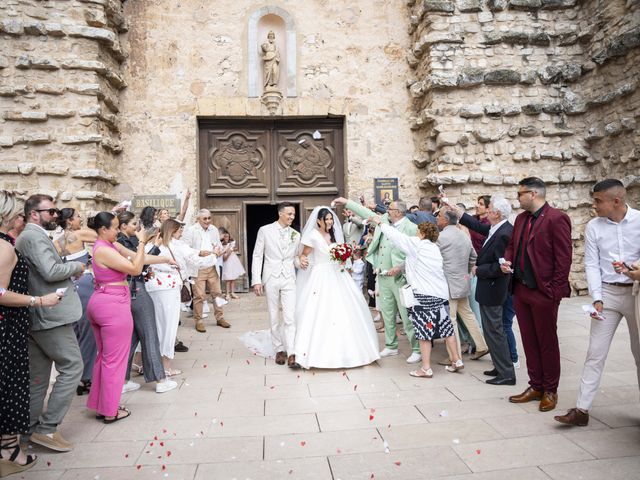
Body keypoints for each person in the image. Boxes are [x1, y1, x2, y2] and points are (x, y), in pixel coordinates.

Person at [555, 179, 640, 426]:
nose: (594, 205)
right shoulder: (593, 226)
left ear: (616, 200)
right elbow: (591, 263)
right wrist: (597, 298)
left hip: (636, 292)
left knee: (639, 354)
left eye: (598, 200)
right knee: (595, 353)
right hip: (608, 295)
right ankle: (581, 410)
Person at [85, 212, 173, 422]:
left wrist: (164, 258)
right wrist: (143, 241)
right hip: (113, 305)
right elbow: (135, 269)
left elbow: (137, 258)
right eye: (115, 227)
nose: (118, 231)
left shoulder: (110, 245)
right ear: (103, 229)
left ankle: (102, 405)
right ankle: (110, 411)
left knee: (105, 358)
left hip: (103, 302)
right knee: (114, 361)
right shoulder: (104, 250)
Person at [15, 194, 85, 452]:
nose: (56, 215)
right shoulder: (33, 236)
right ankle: (47, 428)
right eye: (51, 211)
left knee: (39, 377)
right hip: (49, 316)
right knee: (73, 366)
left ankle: (28, 431)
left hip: (39, 315)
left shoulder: (31, 237)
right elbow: (50, 271)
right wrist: (77, 267)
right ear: (35, 214)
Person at [0, 191, 61, 477]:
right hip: (7, 328)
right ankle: (9, 452)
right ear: (8, 216)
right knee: (10, 387)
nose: (22, 219)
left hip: (11, 325)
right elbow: (0, 293)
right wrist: (39, 301)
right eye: (19, 215)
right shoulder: (4, 248)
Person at [501, 177, 572, 412]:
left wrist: (554, 291)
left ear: (533, 194)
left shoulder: (557, 218)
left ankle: (550, 390)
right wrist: (508, 260)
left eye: (519, 193)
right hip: (520, 289)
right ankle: (536, 385)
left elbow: (564, 258)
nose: (517, 198)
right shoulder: (520, 219)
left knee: (547, 342)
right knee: (529, 341)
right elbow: (513, 245)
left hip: (544, 291)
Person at [371, 217, 463, 376]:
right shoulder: (434, 248)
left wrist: (380, 223)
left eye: (417, 231)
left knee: (424, 332)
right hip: (440, 295)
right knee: (447, 329)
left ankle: (426, 368)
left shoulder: (417, 245)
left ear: (421, 233)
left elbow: (397, 237)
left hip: (424, 296)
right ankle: (456, 360)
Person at [334, 197, 422, 363]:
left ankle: (416, 348)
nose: (386, 211)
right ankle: (391, 345)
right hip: (382, 275)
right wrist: (346, 202)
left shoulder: (411, 228)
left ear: (398, 212)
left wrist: (401, 267)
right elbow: (366, 213)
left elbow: (416, 252)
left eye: (390, 209)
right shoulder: (384, 221)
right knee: (387, 313)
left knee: (406, 315)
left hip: (400, 277)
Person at [293, 207, 380, 369]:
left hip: (338, 274)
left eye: (331, 219)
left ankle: (353, 351)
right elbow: (303, 254)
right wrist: (302, 260)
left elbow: (341, 256)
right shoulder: (313, 235)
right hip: (320, 275)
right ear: (318, 221)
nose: (329, 222)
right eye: (326, 219)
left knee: (345, 309)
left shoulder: (333, 236)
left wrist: (343, 258)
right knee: (320, 311)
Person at [456, 196, 517, 385]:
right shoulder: (495, 228)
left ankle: (507, 373)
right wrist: (454, 208)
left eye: (489, 208)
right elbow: (475, 225)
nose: (486, 211)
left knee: (495, 330)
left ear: (497, 213)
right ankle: (499, 366)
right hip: (488, 289)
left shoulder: (504, 233)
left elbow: (502, 267)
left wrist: (478, 269)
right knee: (490, 331)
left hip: (494, 288)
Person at [116, 212, 176, 394]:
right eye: (134, 224)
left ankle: (124, 380)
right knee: (150, 333)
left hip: (131, 289)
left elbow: (140, 264)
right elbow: (139, 262)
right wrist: (164, 257)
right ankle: (160, 379)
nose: (138, 227)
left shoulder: (130, 241)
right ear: (122, 226)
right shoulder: (121, 243)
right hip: (136, 290)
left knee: (132, 338)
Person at [146, 219, 212, 380]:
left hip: (152, 288)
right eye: (179, 230)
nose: (181, 233)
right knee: (168, 327)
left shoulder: (151, 245)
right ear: (173, 231)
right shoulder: (177, 245)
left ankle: (142, 363)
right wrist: (215, 255)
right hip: (169, 290)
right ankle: (165, 367)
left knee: (153, 326)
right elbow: (199, 262)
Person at [435, 209, 488, 364]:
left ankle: (455, 356)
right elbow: (473, 256)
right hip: (462, 281)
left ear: (445, 220)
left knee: (450, 319)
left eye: (439, 216)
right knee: (467, 314)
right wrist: (465, 272)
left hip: (448, 283)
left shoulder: (440, 237)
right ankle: (481, 345)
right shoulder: (463, 235)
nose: (437, 219)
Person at [250, 202, 301, 366]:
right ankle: (279, 349)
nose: (292, 217)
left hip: (289, 277)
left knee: (289, 316)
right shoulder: (265, 230)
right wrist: (256, 280)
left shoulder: (296, 234)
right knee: (273, 315)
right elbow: (257, 255)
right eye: (289, 214)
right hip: (271, 277)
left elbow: (295, 258)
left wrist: (302, 263)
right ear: (280, 214)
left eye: (293, 214)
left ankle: (292, 351)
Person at [53, 208, 97, 396]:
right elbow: (100, 236)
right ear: (69, 221)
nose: (81, 219)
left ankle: (78, 375)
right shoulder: (79, 235)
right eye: (78, 217)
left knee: (76, 333)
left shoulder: (55, 243)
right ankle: (87, 377)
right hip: (86, 285)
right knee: (89, 333)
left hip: (69, 289)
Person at [182, 209, 229, 332]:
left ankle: (220, 318)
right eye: (205, 219)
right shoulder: (191, 231)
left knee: (217, 293)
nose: (207, 221)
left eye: (209, 218)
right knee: (199, 296)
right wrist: (200, 253)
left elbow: (218, 244)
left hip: (212, 265)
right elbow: (186, 249)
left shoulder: (213, 229)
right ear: (198, 219)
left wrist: (218, 250)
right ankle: (199, 320)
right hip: (198, 267)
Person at [219, 227, 245, 299]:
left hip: (233, 261)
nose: (227, 237)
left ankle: (232, 292)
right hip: (226, 263)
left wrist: (232, 249)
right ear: (223, 237)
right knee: (228, 278)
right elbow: (225, 257)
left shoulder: (231, 243)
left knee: (233, 278)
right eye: (225, 236)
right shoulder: (222, 245)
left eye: (228, 236)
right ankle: (227, 293)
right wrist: (230, 249)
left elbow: (235, 249)